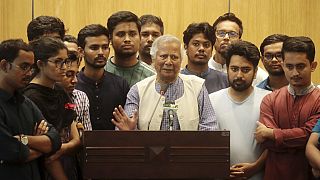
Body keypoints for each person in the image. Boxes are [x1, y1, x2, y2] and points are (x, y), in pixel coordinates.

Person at [112, 35, 218, 131]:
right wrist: (130, 132)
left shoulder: (197, 87)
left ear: (181, 60)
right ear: (153, 58)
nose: (168, 62)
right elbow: (125, 127)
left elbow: (210, 126)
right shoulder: (138, 90)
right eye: (163, 56)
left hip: (188, 151)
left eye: (174, 57)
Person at [255, 36, 320, 180]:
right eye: (289, 66)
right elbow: (266, 142)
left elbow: (310, 137)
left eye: (301, 66)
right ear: (283, 65)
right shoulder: (270, 99)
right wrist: (297, 140)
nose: (295, 73)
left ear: (313, 66)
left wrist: (272, 134)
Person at [0, 39, 61, 180]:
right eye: (24, 67)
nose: (29, 73)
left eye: (31, 67)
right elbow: (12, 152)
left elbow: (55, 140)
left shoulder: (25, 103)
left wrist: (24, 139)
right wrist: (42, 146)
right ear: (4, 66)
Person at [210, 40, 270, 179]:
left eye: (245, 70)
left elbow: (275, 145)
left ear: (255, 72)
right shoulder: (211, 100)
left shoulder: (269, 100)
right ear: (227, 69)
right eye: (234, 69)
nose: (239, 75)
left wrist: (256, 166)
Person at [23, 37, 80, 180]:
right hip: (44, 168)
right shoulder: (30, 97)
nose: (64, 68)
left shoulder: (60, 89)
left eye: (65, 61)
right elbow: (45, 150)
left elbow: (74, 133)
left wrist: (66, 147)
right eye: (57, 62)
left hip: (67, 160)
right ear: (40, 64)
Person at [76, 24, 130, 130]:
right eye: (94, 48)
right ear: (81, 52)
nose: (101, 53)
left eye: (105, 47)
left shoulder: (121, 84)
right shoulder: (73, 85)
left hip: (114, 145)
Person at [209, 12, 267, 85]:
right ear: (213, 37)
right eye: (221, 33)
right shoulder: (204, 69)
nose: (226, 38)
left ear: (239, 40)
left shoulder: (257, 75)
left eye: (232, 34)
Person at [105, 11, 155, 87]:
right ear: (110, 39)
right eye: (121, 34)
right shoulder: (100, 72)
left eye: (132, 34)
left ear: (140, 37)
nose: (127, 39)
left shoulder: (152, 77)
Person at [181, 22, 228, 94]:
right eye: (196, 44)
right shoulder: (176, 79)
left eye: (206, 45)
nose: (201, 49)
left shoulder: (225, 80)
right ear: (186, 47)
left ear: (212, 49)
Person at [62, 35, 92, 131]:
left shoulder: (81, 97)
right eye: (68, 74)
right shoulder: (43, 97)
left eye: (76, 74)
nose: (75, 80)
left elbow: (86, 136)